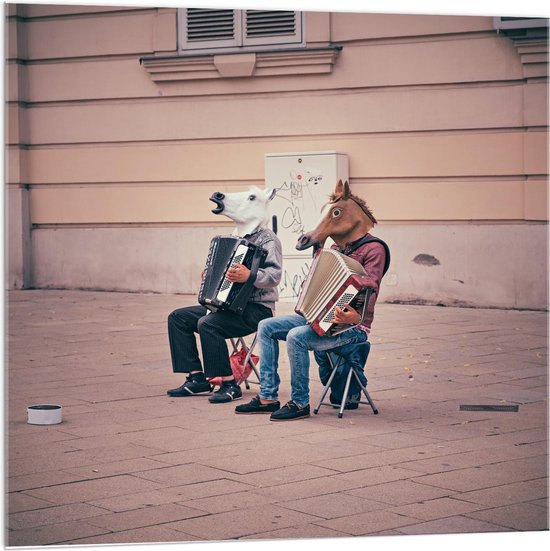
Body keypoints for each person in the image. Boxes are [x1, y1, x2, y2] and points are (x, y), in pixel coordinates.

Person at [235, 235, 387, 420]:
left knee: (296, 337)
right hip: (320, 318)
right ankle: (268, 398)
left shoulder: (374, 248)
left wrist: (356, 316)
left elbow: (371, 289)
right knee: (266, 326)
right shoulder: (335, 248)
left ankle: (299, 403)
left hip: (354, 328)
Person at [167, 188, 282, 404]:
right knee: (177, 318)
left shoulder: (269, 240)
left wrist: (250, 275)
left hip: (257, 309)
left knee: (208, 324)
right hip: (228, 306)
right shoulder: (234, 237)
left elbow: (274, 276)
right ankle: (196, 378)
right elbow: (221, 270)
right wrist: (210, 274)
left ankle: (229, 384)